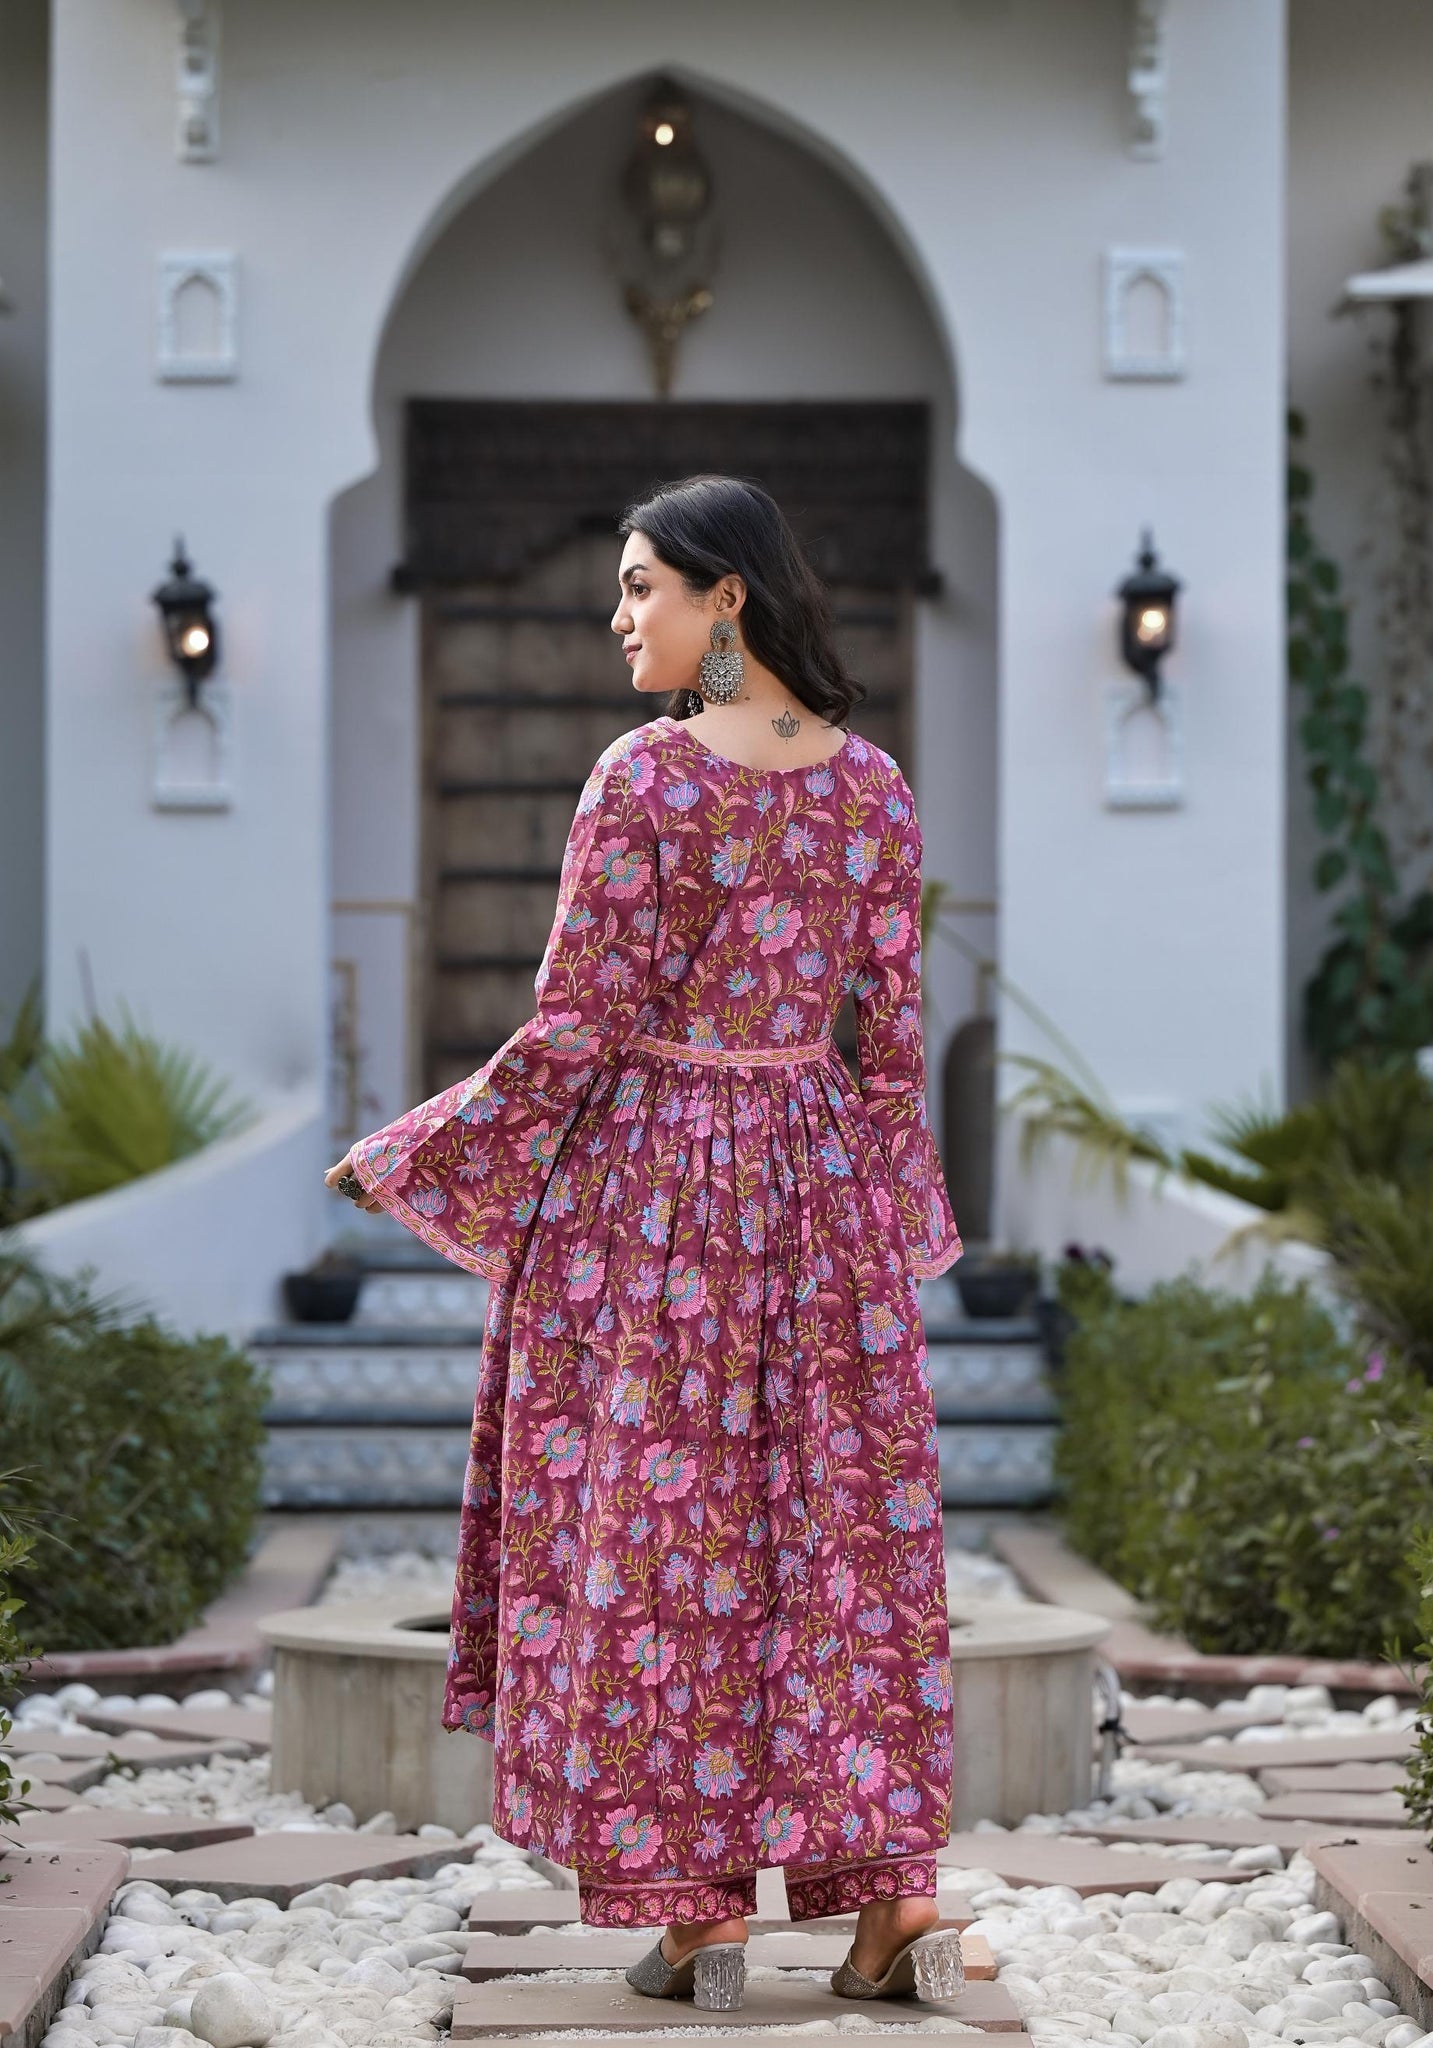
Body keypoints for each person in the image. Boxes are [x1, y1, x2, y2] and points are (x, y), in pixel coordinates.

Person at [325, 474, 966, 2013]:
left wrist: (416, 1150)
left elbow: (578, 1024)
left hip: (658, 1208)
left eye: (639, 589)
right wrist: (894, 1237)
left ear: (724, 597)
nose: (619, 620)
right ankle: (885, 1912)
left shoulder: (644, 778)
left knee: (658, 1545)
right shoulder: (873, 787)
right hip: (812, 1203)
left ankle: (701, 1920)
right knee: (835, 1548)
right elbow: (887, 1051)